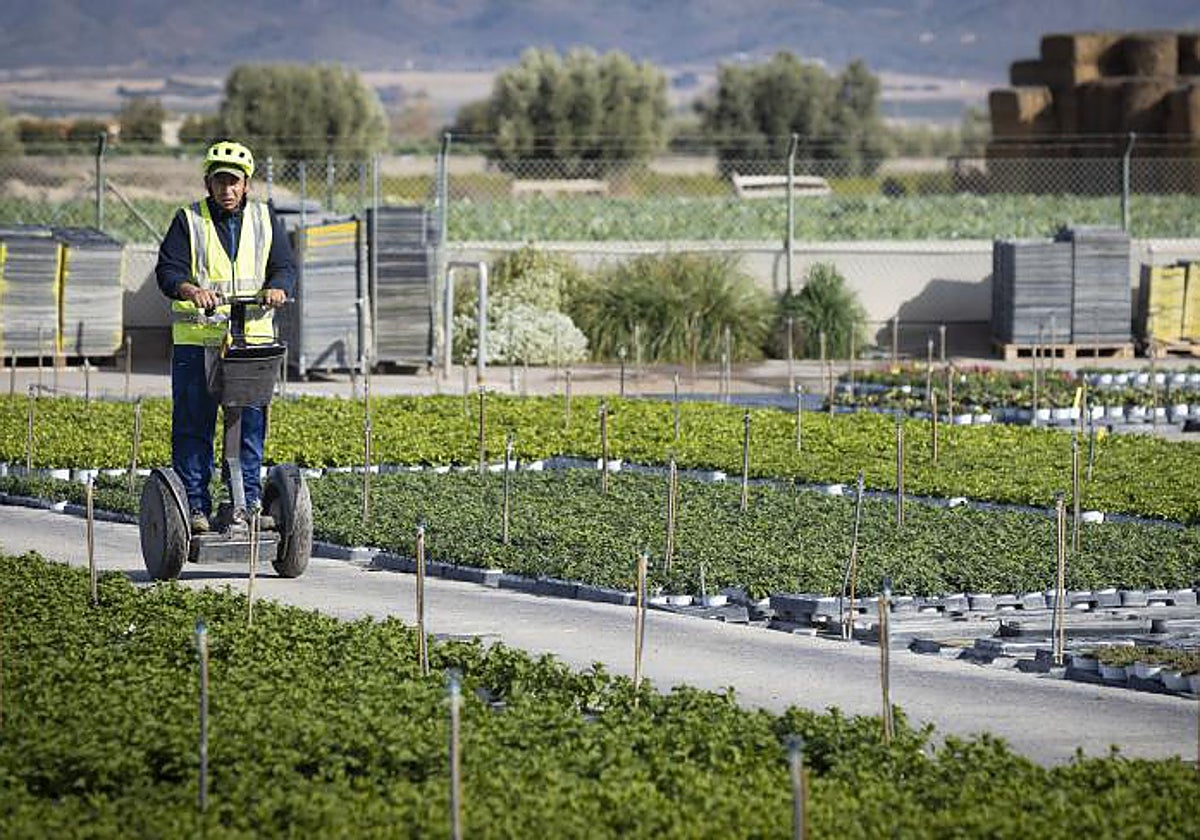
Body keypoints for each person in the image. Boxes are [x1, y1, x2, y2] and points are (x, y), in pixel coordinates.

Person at [155, 140, 296, 534]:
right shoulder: (188, 220)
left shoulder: (265, 219)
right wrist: (190, 290)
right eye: (220, 181)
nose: (227, 189)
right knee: (193, 427)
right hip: (198, 342)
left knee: (249, 427)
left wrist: (279, 287)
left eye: (234, 181)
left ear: (246, 184)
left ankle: (245, 503)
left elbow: (285, 267)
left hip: (251, 344)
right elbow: (168, 271)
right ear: (208, 183)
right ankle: (194, 508)